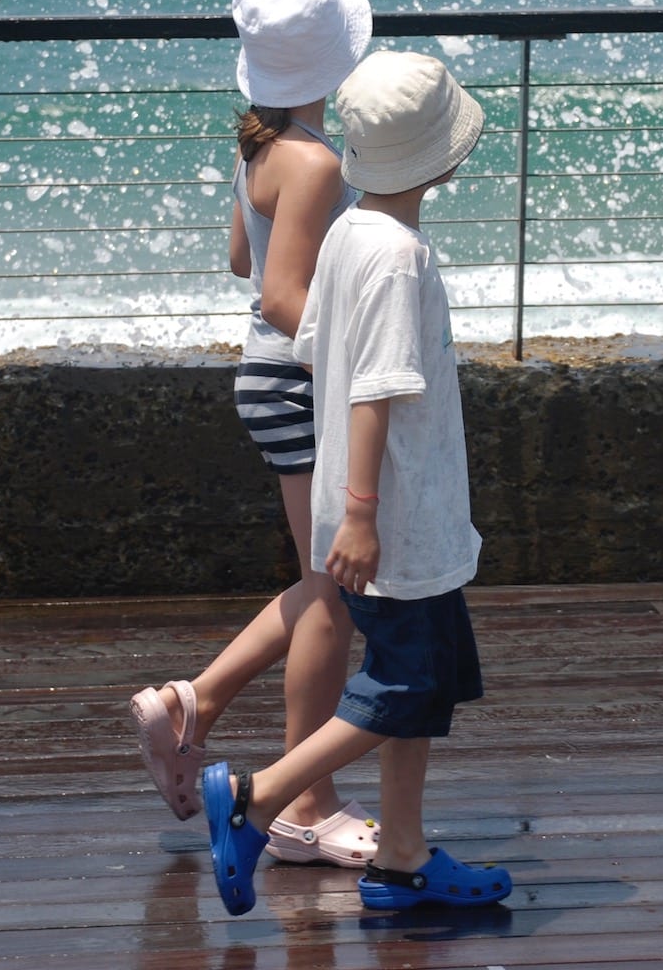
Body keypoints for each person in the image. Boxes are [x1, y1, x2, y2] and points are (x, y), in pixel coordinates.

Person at [198, 50, 514, 916]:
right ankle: (257, 800)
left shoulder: (353, 232)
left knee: (427, 680)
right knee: (402, 686)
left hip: (403, 510)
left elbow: (315, 341)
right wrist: (365, 514)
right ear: (440, 161)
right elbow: (373, 385)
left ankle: (404, 858)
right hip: (395, 515)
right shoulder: (395, 256)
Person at [128, 0, 379, 870]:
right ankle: (304, 802)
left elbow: (241, 257)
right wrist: (365, 357)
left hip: (268, 383)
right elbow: (280, 297)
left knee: (323, 588)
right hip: (300, 379)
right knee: (333, 600)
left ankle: (195, 703)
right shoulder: (312, 158)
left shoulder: (259, 147)